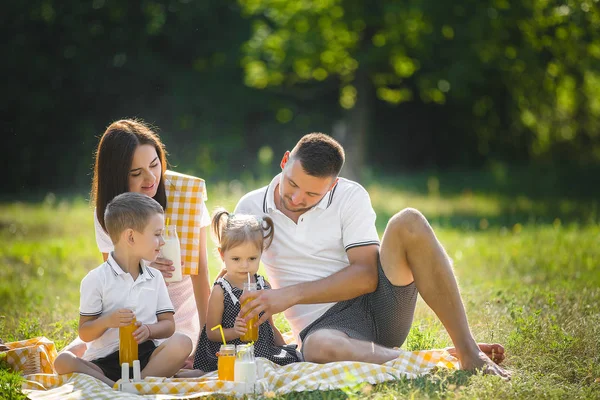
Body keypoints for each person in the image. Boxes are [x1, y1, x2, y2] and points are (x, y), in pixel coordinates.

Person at [235, 133, 510, 378]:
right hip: (324, 329)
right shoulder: (249, 207)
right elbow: (238, 276)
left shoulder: (349, 196)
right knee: (318, 347)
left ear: (332, 186)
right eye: (292, 184)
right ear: (284, 162)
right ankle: (427, 359)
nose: (296, 199)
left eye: (311, 193)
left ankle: (468, 350)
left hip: (381, 308)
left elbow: (367, 276)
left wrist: (290, 295)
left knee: (409, 221)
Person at [63, 119, 211, 367]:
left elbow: (201, 276)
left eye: (155, 164)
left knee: (178, 349)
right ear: (117, 177)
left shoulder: (187, 196)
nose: (151, 178)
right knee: (73, 353)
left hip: (174, 318)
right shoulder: (111, 214)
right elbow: (114, 285)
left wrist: (207, 341)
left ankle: (136, 376)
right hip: (131, 317)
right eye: (136, 173)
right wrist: (145, 263)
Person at [54, 192, 192, 386]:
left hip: (146, 357)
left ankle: (130, 385)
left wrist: (149, 331)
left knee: (183, 343)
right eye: (157, 234)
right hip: (105, 361)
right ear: (130, 236)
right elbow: (85, 333)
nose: (162, 242)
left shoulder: (155, 277)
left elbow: (169, 325)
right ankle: (119, 385)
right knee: (62, 361)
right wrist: (107, 321)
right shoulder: (95, 279)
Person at [192, 209, 301, 372]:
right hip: (229, 353)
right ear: (222, 255)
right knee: (233, 371)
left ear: (260, 254)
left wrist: (287, 350)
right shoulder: (221, 290)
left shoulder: (262, 285)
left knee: (290, 362)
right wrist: (234, 332)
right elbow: (211, 333)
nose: (244, 265)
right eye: (236, 259)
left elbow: (269, 326)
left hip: (261, 352)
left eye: (252, 258)